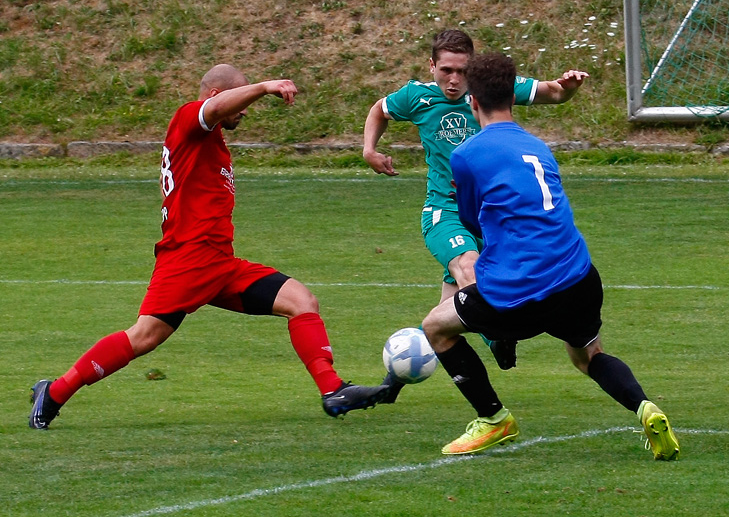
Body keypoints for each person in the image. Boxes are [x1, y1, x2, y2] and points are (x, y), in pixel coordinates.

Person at [29, 64, 388, 430]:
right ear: (217, 95)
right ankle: (55, 392)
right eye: (240, 99)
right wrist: (264, 87)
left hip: (219, 262)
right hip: (189, 259)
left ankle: (333, 390)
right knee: (144, 336)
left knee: (301, 301)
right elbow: (213, 109)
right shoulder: (189, 118)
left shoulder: (209, 139)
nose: (244, 110)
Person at [420, 53, 680, 460]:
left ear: (472, 101)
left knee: (436, 326)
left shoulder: (467, 154)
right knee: (588, 356)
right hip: (578, 275)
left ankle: (493, 419)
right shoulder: (538, 146)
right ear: (512, 97)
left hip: (520, 289)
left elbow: (469, 218)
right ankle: (645, 408)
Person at [362, 29, 589, 400]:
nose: (454, 80)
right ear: (431, 66)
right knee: (467, 269)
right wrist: (370, 150)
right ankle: (497, 333)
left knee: (445, 315)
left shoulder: (487, 90)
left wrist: (569, 85)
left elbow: (555, 93)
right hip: (444, 210)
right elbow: (379, 109)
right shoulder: (416, 97)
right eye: (446, 70)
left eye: (462, 71)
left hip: (489, 215)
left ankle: (392, 387)